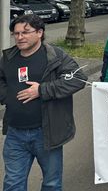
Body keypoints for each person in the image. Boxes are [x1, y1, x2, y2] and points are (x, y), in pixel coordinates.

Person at [0, 14, 87, 190]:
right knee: (12, 184)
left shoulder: (55, 56)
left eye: (25, 32)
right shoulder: (8, 58)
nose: (19, 37)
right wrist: (8, 96)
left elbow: (78, 79)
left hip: (47, 133)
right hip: (15, 132)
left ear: (40, 32)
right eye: (16, 33)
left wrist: (42, 90)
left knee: (51, 183)